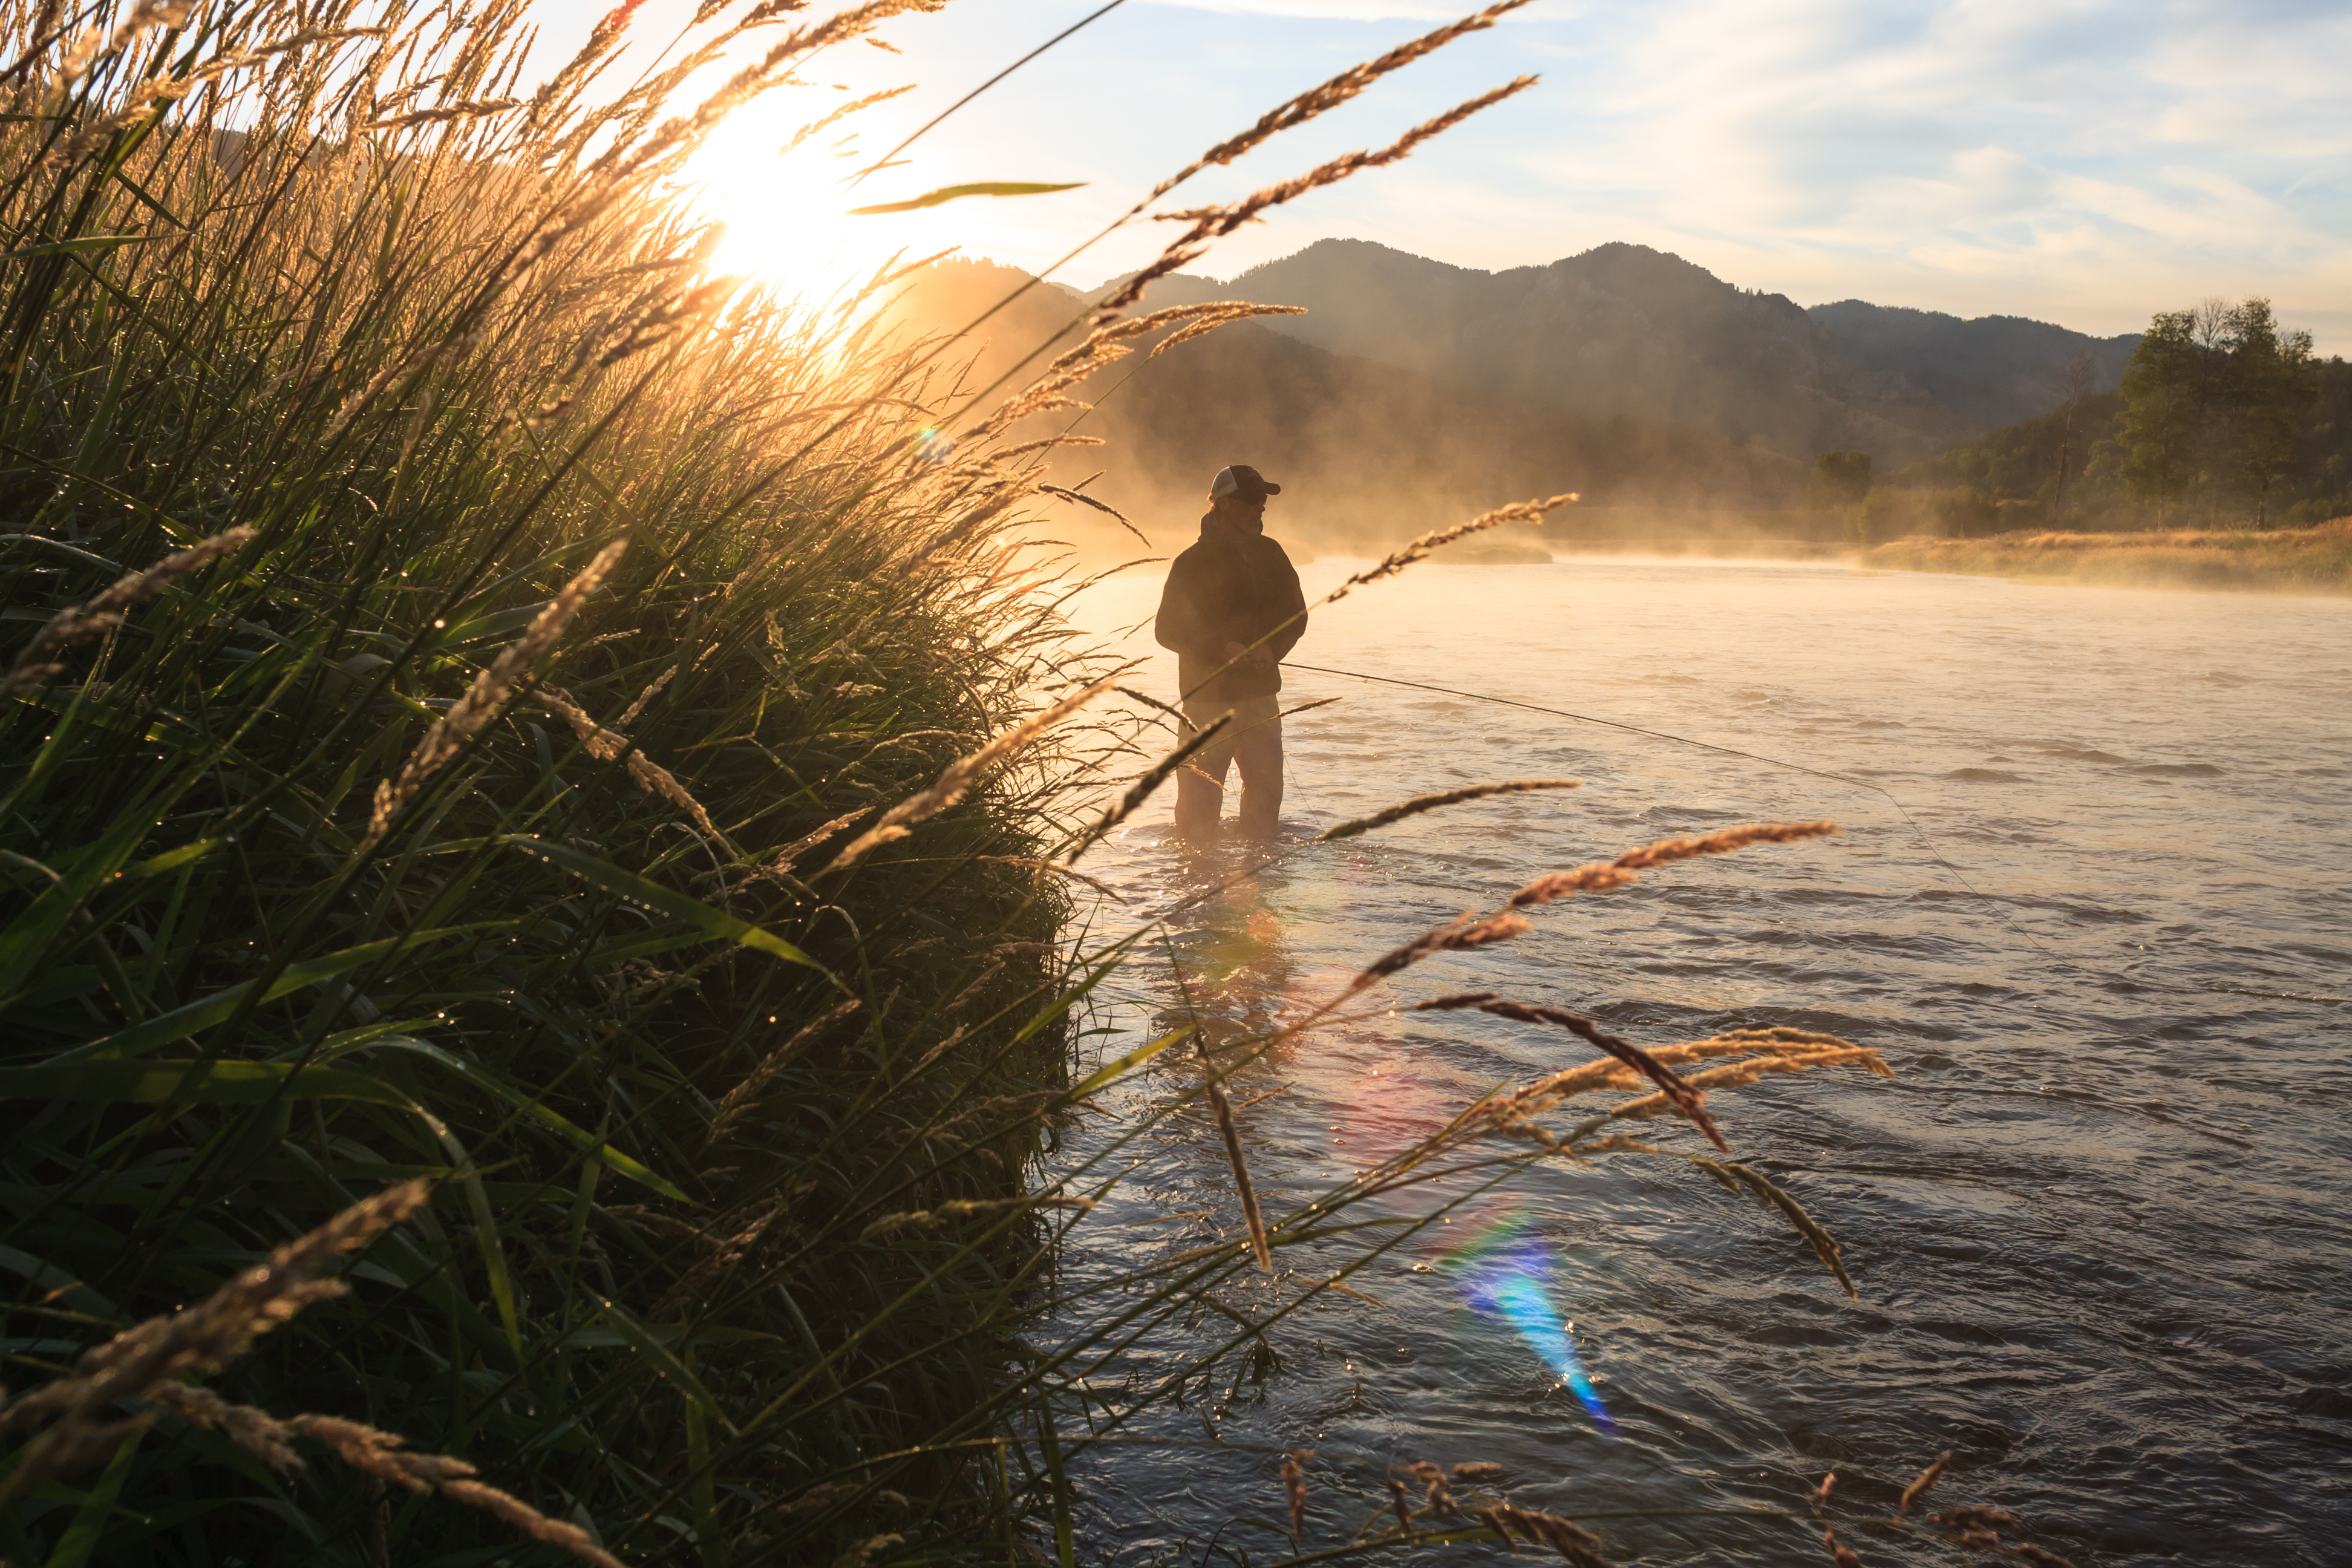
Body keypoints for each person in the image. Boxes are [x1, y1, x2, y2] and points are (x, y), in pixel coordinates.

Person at [1153, 464, 1307, 841]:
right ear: (1222, 504)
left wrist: (1273, 649)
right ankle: (1199, 884)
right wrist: (1222, 649)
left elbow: (1296, 616)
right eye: (1253, 499)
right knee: (1199, 804)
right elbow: (1167, 629)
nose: (1261, 507)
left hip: (1260, 697)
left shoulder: (1272, 554)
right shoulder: (1191, 562)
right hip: (1207, 701)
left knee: (1266, 801)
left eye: (1264, 500)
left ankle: (1262, 883)